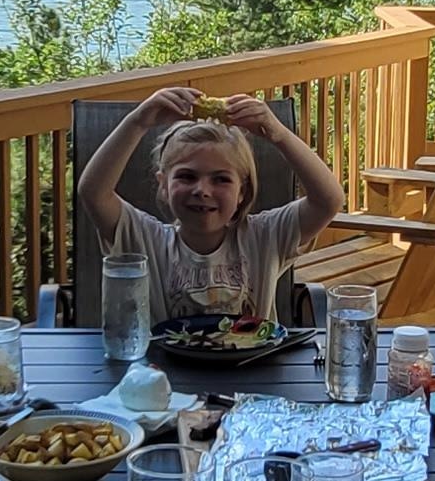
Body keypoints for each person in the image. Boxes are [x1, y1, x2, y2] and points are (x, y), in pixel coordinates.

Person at [78, 82, 346, 328]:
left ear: (242, 191)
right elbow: (93, 192)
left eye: (221, 179)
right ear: (163, 184)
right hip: (168, 374)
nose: (202, 191)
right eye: (187, 176)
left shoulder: (265, 237)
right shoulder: (147, 239)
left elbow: (329, 200)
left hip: (250, 370)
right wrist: (137, 122)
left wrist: (279, 135)